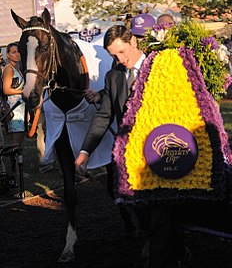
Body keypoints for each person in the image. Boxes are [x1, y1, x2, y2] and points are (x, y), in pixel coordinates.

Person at [75, 25, 188, 268]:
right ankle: (168, 245)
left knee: (161, 212)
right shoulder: (113, 76)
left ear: (134, 42)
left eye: (123, 52)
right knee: (137, 205)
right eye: (114, 56)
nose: (120, 60)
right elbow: (104, 117)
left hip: (163, 153)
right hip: (130, 158)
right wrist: (85, 151)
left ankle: (163, 254)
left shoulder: (163, 67)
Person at [3, 42, 27, 174]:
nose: (17, 54)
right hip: (14, 108)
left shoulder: (16, 67)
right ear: (7, 54)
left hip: (21, 107)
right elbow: (6, 90)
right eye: (14, 52)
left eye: (18, 51)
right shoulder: (8, 69)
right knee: (15, 142)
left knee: (20, 141)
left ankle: (18, 169)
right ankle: (15, 171)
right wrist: (22, 92)